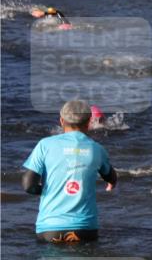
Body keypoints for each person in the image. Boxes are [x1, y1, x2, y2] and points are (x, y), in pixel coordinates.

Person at [21, 100, 118, 243]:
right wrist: (111, 182)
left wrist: (50, 189)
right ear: (89, 122)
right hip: (85, 229)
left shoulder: (45, 145)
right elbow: (111, 176)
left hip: (50, 229)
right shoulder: (97, 149)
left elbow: (28, 185)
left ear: (61, 121)